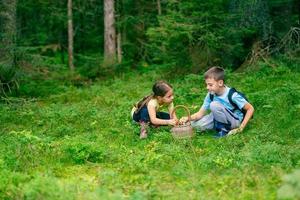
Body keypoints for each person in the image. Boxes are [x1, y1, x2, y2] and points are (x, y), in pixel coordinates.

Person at [180, 66, 254, 137]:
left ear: (220, 83)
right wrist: (188, 118)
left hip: (234, 121)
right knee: (194, 125)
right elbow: (200, 114)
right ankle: (218, 126)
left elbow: (250, 108)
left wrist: (240, 128)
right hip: (218, 118)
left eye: (210, 85)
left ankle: (223, 130)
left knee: (214, 105)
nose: (207, 88)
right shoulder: (211, 95)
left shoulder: (232, 95)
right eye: (206, 85)